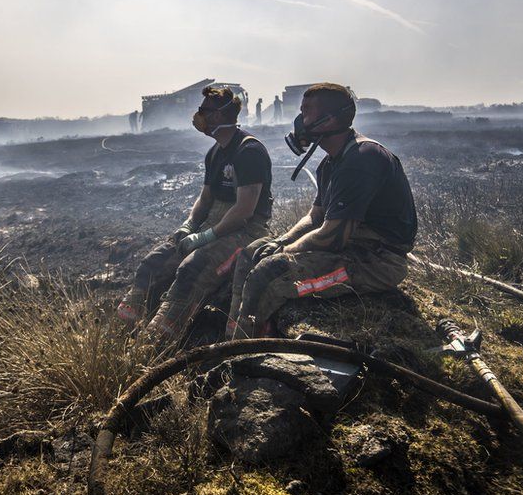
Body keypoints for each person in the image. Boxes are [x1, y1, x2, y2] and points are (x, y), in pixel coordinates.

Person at [226, 83, 417, 339]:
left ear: (330, 119)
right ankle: (232, 337)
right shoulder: (330, 164)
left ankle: (242, 353)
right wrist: (280, 242)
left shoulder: (363, 158)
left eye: (306, 112)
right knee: (251, 254)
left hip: (376, 262)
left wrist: (283, 253)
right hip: (352, 249)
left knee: (267, 275)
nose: (299, 120)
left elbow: (332, 236)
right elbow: (315, 217)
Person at [116, 86, 273, 342]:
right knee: (153, 263)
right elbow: (206, 198)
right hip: (214, 221)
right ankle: (124, 329)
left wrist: (205, 238)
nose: (199, 115)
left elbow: (244, 210)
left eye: (204, 110)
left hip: (244, 230)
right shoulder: (215, 152)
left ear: (219, 116)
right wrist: (189, 226)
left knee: (192, 269)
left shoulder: (249, 151)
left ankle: (158, 340)